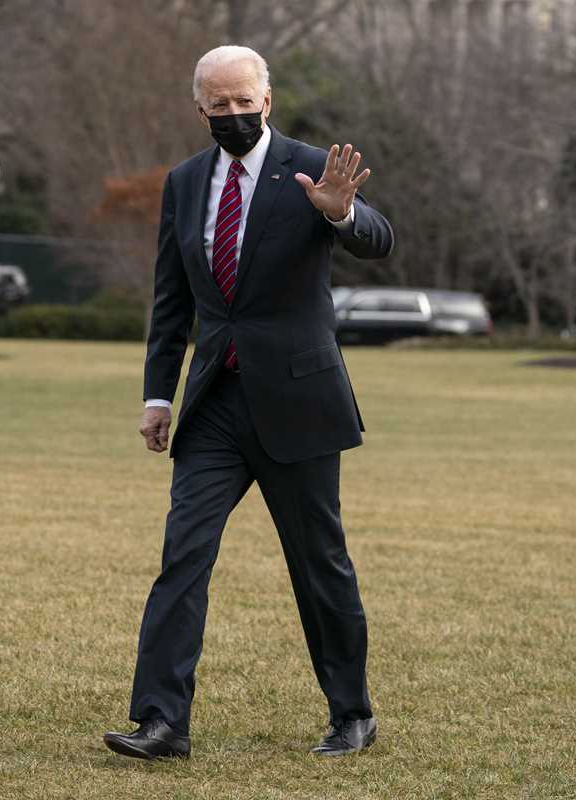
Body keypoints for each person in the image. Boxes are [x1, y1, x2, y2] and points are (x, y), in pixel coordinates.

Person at [103, 44, 394, 761]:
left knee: (319, 564)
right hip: (214, 406)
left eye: (243, 101)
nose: (232, 113)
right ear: (199, 108)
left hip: (298, 402)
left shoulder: (314, 168)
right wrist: (157, 395)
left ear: (267, 101)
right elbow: (171, 300)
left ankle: (352, 714)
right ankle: (162, 722)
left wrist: (341, 215)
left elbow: (380, 240)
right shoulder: (184, 182)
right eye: (218, 104)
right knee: (183, 558)